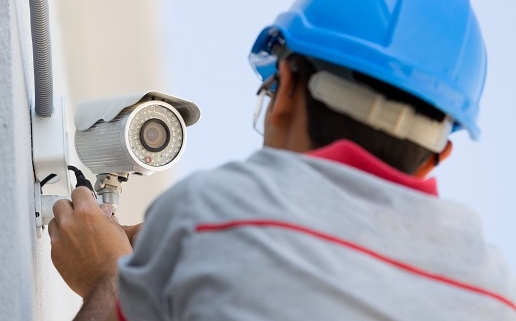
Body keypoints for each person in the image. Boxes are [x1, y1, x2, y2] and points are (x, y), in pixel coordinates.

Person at [49, 0, 516, 320]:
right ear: (438, 154)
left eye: (268, 92)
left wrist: (108, 276)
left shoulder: (212, 213)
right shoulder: (497, 296)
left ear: (288, 86)